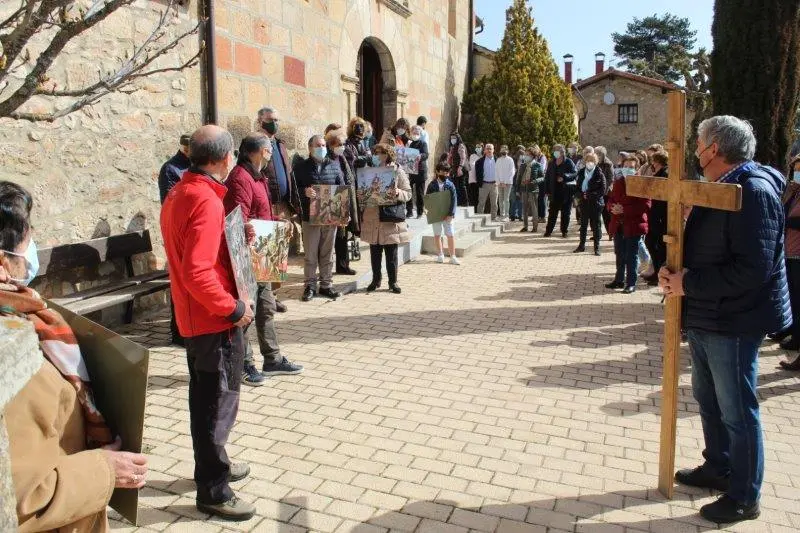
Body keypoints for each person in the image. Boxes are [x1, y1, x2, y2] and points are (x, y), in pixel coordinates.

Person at [660, 116, 791, 524]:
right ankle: (718, 465)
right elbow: (707, 246)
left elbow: (752, 268)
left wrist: (689, 282)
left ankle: (744, 496)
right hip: (705, 312)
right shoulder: (719, 186)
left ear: (714, 148)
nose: (694, 149)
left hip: (734, 319)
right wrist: (670, 272)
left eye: (697, 142)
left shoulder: (752, 192)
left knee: (737, 409)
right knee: (708, 397)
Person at [1, 181, 149, 532]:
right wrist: (103, 470)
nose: (33, 246)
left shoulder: (23, 313)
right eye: (27, 238)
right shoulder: (9, 355)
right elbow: (19, 502)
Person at [160, 125, 256, 520]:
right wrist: (233, 309)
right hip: (213, 321)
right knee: (217, 404)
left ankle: (214, 465)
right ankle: (214, 489)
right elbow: (198, 272)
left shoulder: (180, 191)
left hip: (195, 320)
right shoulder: (204, 199)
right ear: (224, 158)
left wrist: (236, 237)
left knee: (206, 401)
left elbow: (198, 253)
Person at [223, 134, 303, 387]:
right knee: (248, 310)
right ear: (255, 151)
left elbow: (259, 213)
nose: (271, 153)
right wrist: (255, 227)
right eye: (268, 149)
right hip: (249, 256)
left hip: (265, 251)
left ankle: (273, 358)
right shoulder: (240, 178)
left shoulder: (259, 177)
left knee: (266, 307)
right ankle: (245, 363)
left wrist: (276, 223)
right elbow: (238, 220)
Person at [295, 134, 345, 302]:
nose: (322, 148)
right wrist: (304, 192)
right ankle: (310, 286)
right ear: (310, 148)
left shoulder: (334, 166)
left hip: (330, 216)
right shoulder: (301, 168)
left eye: (324, 145)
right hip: (310, 217)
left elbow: (342, 189)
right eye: (318, 145)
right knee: (310, 254)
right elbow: (294, 191)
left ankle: (326, 285)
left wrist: (345, 213)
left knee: (328, 253)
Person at [362, 143, 412, 293]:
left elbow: (408, 193)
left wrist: (397, 192)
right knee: (375, 253)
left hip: (389, 218)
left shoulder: (398, 171)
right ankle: (375, 280)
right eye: (375, 153)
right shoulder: (369, 171)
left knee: (391, 254)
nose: (377, 156)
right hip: (373, 217)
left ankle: (393, 282)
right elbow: (364, 193)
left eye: (381, 153)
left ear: (387, 154)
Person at [158, 134, 191, 347]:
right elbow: (170, 202)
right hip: (179, 232)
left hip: (190, 230)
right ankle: (177, 331)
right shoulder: (171, 169)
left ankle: (185, 328)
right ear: (185, 148)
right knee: (179, 282)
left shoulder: (193, 167)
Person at [258, 107, 303, 261]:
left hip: (284, 205)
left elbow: (289, 172)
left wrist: (294, 202)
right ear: (260, 121)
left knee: (281, 256)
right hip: (268, 205)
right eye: (270, 120)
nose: (274, 123)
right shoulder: (254, 143)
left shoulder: (280, 144)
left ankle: (278, 285)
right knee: (267, 255)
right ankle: (267, 286)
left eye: (276, 120)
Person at [606, 156, 650, 294]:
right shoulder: (618, 182)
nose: (628, 169)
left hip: (633, 225)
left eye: (631, 167)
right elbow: (610, 200)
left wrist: (625, 209)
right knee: (619, 254)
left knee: (632, 255)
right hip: (618, 224)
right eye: (626, 166)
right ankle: (619, 279)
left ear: (637, 168)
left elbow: (646, 205)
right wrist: (612, 207)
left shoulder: (642, 184)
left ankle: (631, 283)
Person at [327, 128, 360, 275]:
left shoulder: (342, 158)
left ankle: (343, 265)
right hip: (332, 198)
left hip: (344, 197)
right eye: (340, 144)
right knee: (332, 237)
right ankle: (326, 269)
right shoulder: (326, 159)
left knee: (343, 234)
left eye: (344, 143)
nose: (343, 147)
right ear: (331, 144)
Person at [777, 154, 800, 363]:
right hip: (789, 251)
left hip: (799, 253)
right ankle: (791, 332)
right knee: (791, 296)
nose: (797, 173)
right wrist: (789, 192)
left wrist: (790, 223)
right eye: (796, 169)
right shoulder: (794, 191)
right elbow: (780, 209)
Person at [642, 150, 669, 285]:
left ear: (657, 161)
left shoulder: (664, 174)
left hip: (661, 217)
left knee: (658, 246)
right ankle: (656, 272)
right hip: (656, 215)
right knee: (650, 242)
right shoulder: (658, 173)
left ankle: (658, 274)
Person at [427, 161, 460, 265]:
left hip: (447, 215)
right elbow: (428, 198)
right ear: (437, 171)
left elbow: (454, 200)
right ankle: (440, 254)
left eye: (446, 172)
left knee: (450, 234)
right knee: (437, 234)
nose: (444, 174)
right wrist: (428, 210)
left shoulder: (450, 185)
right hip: (436, 214)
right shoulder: (432, 185)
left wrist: (451, 214)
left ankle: (452, 256)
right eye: (442, 172)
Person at [543, 144, 577, 238]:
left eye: (557, 150)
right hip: (554, 192)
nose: (555, 152)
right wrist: (547, 190)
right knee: (552, 213)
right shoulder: (551, 163)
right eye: (554, 150)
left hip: (566, 191)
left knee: (566, 213)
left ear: (562, 152)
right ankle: (548, 231)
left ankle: (564, 231)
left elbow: (574, 173)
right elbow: (547, 177)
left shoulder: (568, 162)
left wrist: (565, 177)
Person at [516, 145, 544, 233]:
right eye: (525, 154)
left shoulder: (537, 165)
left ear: (533, 156)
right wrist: (517, 189)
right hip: (524, 189)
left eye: (528, 154)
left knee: (534, 209)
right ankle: (525, 226)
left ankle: (535, 227)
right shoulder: (522, 165)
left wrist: (534, 181)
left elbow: (542, 177)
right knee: (524, 209)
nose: (526, 156)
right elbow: (518, 178)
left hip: (533, 190)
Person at [406, 124, 429, 218]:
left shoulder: (423, 143)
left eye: (417, 132)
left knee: (419, 193)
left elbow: (426, 154)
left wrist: (421, 156)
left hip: (420, 171)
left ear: (420, 133)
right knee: (409, 191)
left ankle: (420, 212)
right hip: (411, 170)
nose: (415, 134)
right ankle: (409, 211)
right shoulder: (411, 144)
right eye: (414, 132)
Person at [475, 143, 499, 220]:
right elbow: (477, 174)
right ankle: (479, 219)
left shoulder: (498, 160)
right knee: (481, 203)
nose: (489, 150)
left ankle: (493, 218)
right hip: (484, 184)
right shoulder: (479, 161)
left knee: (494, 204)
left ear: (493, 150)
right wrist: (479, 183)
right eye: (487, 148)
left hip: (494, 185)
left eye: (490, 148)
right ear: (484, 150)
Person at [595, 145, 614, 234]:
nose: (597, 156)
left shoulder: (608, 164)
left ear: (602, 155)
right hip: (597, 192)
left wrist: (604, 191)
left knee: (606, 214)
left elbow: (611, 179)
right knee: (597, 215)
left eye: (598, 154)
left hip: (606, 193)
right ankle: (598, 234)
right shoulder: (595, 163)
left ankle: (610, 232)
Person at [495, 145, 516, 222]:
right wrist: (499, 182)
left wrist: (506, 182)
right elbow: (496, 171)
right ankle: (502, 215)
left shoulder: (510, 160)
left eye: (505, 149)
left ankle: (507, 215)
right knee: (500, 199)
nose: (503, 151)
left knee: (506, 199)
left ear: (507, 151)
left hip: (508, 183)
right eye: (502, 149)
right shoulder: (498, 160)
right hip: (500, 183)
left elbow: (512, 171)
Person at [510, 145, 526, 221]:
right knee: (513, 200)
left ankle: (520, 216)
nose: (521, 156)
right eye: (520, 155)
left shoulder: (525, 162)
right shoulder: (512, 160)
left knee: (520, 200)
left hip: (522, 183)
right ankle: (512, 215)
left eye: (522, 155)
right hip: (513, 182)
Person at [535, 145, 548, 223]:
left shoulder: (543, 157)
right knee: (537, 199)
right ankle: (538, 215)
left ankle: (542, 216)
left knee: (541, 199)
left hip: (542, 180)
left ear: (538, 149)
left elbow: (542, 168)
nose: (535, 151)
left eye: (536, 150)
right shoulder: (535, 157)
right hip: (536, 180)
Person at [468, 143, 483, 208]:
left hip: (481, 179)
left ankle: (478, 209)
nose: (478, 148)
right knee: (473, 195)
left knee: (480, 196)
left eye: (479, 147)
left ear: (482, 148)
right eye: (477, 147)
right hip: (473, 179)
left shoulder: (483, 157)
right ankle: (473, 209)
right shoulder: (472, 156)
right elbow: (472, 166)